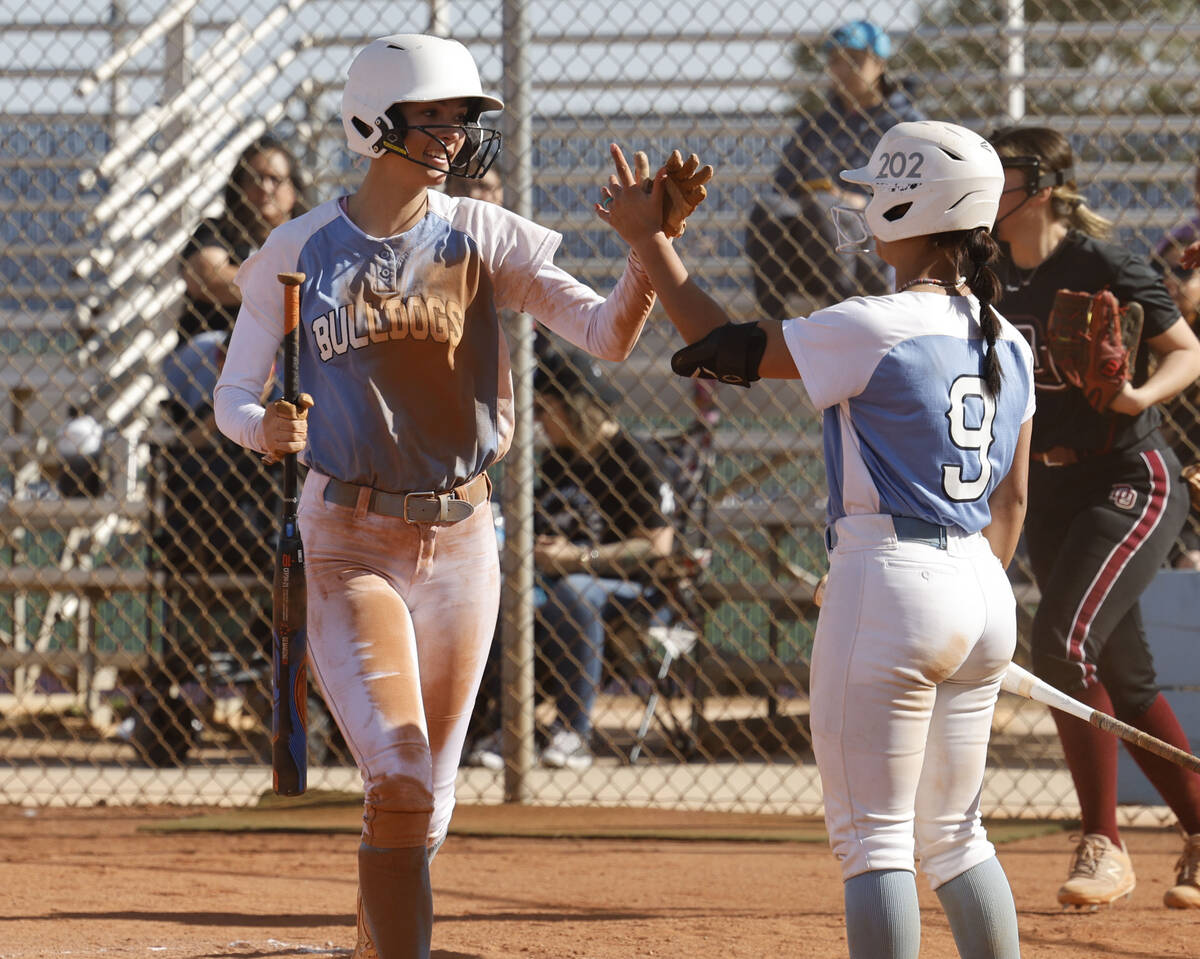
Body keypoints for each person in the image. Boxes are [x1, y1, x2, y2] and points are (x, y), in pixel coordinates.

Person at [213, 33, 672, 959]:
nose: (458, 136)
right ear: (375, 122)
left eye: (463, 119)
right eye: (438, 117)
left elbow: (607, 334)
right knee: (402, 774)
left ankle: (374, 935)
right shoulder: (298, 247)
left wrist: (646, 247)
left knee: (430, 792)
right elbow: (232, 394)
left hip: (464, 538)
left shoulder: (483, 235)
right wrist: (262, 427)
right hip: (347, 538)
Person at [602, 120, 1032, 959]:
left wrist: (648, 238)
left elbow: (714, 344)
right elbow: (1011, 500)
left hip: (893, 574)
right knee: (956, 835)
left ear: (910, 206)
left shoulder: (874, 320)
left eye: (875, 191)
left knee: (875, 842)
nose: (863, 204)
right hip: (983, 583)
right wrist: (963, 599)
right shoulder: (1007, 340)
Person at [988, 124, 1200, 910]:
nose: (987, 183)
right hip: (1044, 491)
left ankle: (1103, 844)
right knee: (1124, 674)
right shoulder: (985, 271)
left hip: (1129, 479)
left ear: (1039, 186)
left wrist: (1139, 395)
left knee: (1061, 641)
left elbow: (1187, 350)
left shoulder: (1100, 261)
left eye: (1001, 172)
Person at [531, 346, 676, 770]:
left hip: (637, 590)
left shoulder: (633, 456)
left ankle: (573, 731)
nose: (538, 420)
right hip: (558, 584)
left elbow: (656, 546)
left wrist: (579, 558)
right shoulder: (555, 461)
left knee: (575, 592)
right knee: (510, 596)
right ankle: (506, 726)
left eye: (544, 408)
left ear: (574, 405)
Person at [745, 19, 923, 320]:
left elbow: (920, 196)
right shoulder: (818, 125)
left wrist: (863, 202)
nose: (842, 69)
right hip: (814, 244)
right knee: (769, 209)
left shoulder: (905, 124)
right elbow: (782, 186)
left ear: (879, 64)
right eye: (835, 61)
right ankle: (771, 322)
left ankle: (845, 315)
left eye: (854, 60)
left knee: (823, 206)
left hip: (877, 241)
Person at [178, 135, 308, 342]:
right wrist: (291, 290)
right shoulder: (218, 230)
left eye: (274, 179)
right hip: (217, 342)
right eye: (254, 179)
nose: (264, 187)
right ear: (240, 187)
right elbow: (206, 277)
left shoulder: (308, 238)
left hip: (288, 345)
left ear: (293, 190)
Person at [1153, 242, 1200, 569]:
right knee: (1192, 562)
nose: (1170, 280)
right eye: (1159, 271)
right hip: (1171, 484)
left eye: (1183, 270)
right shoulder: (1147, 332)